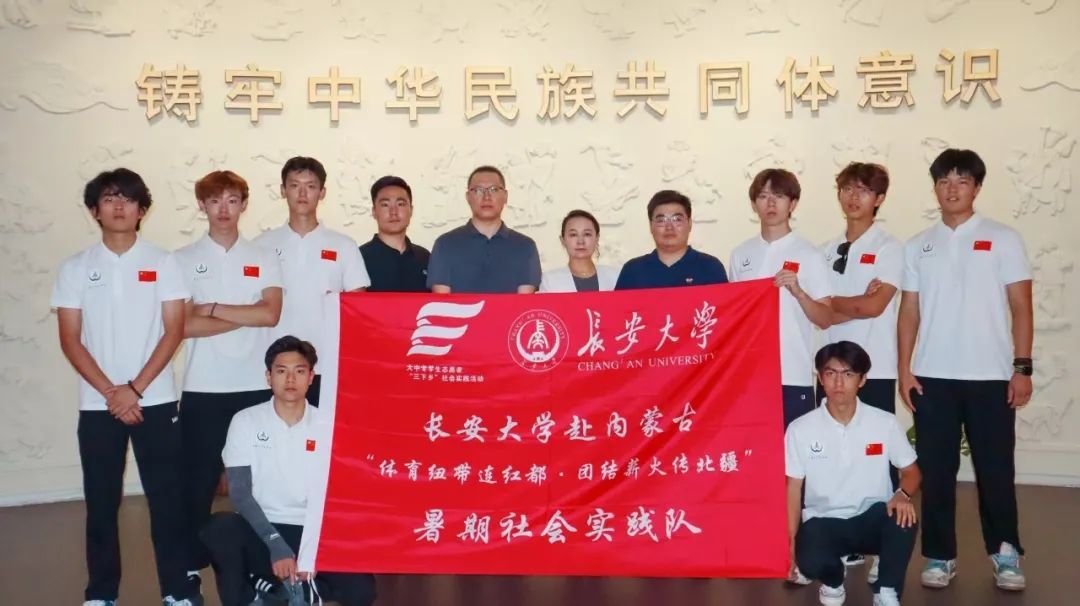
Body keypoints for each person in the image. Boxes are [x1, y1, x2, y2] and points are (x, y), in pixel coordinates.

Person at [51, 168, 199, 606]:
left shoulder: (164, 262)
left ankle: (177, 590)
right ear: (94, 210)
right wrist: (113, 393)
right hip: (98, 405)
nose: (119, 206)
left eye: (128, 199)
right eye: (110, 198)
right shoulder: (76, 268)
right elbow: (70, 339)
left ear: (142, 210)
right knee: (100, 503)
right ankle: (100, 593)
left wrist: (134, 389)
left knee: (166, 501)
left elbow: (174, 331)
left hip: (155, 400)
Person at [899, 149, 1033, 591]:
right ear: (935, 188)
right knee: (937, 473)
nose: (952, 189)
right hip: (932, 377)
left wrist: (1022, 367)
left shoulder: (1003, 238)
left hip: (991, 377)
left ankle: (1006, 553)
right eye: (944, 181)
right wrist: (904, 369)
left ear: (977, 187)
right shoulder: (918, 245)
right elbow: (909, 311)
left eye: (961, 180)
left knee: (996, 470)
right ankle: (939, 555)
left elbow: (1021, 305)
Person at [200, 336, 376, 606]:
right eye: (281, 371)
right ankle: (250, 596)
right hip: (262, 528)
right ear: (269, 377)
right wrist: (275, 544)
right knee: (220, 529)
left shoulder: (328, 424)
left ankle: (286, 589)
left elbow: (341, 494)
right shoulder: (245, 420)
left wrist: (310, 553)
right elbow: (240, 493)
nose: (290, 379)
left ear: (311, 377)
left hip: (313, 530)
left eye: (299, 371)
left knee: (361, 591)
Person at [173, 170, 283, 585]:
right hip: (204, 387)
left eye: (232, 200)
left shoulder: (263, 256)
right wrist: (246, 313)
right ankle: (189, 568)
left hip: (255, 386)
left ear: (244, 205)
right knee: (197, 483)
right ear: (201, 205)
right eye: (215, 200)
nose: (223, 209)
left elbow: (270, 314)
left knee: (259, 484)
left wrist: (212, 308)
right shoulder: (181, 259)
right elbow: (182, 325)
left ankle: (263, 565)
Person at [786, 341, 921, 606]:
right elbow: (792, 488)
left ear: (862, 380)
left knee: (903, 517)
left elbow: (911, 471)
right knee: (808, 558)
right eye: (831, 373)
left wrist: (902, 494)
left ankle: (886, 590)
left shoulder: (884, 422)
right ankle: (833, 580)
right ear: (820, 378)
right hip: (824, 520)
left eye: (848, 374)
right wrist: (789, 543)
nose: (839, 382)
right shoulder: (800, 429)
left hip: (871, 516)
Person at [254, 156, 370, 406]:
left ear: (322, 192)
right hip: (275, 367)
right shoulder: (261, 245)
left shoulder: (344, 245)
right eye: (295, 185)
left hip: (327, 365)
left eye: (310, 186)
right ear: (283, 190)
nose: (302, 193)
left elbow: (358, 309)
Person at [729, 168, 832, 427]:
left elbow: (825, 318)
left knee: (793, 451)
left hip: (792, 374)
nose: (771, 203)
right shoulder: (741, 254)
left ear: (793, 204)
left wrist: (799, 293)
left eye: (779, 196)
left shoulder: (810, 254)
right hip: (749, 376)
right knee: (752, 449)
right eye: (763, 196)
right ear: (754, 204)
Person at [426, 165, 542, 293]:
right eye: (478, 190)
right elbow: (442, 302)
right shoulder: (445, 245)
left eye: (494, 189)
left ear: (505, 196)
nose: (487, 197)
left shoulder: (525, 247)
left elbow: (524, 303)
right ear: (468, 197)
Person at [614, 190, 727, 290]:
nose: (669, 227)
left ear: (689, 224)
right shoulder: (633, 271)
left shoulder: (710, 267)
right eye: (661, 220)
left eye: (677, 219)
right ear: (651, 226)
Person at [359, 175, 431, 292]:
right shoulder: (359, 258)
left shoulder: (425, 257)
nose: (393, 212)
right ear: (374, 211)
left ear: (411, 210)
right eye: (385, 205)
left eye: (400, 204)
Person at [539, 209, 620, 292]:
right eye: (573, 235)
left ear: (597, 238)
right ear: (562, 240)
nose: (580, 241)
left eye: (587, 234)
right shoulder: (549, 280)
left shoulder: (616, 277)